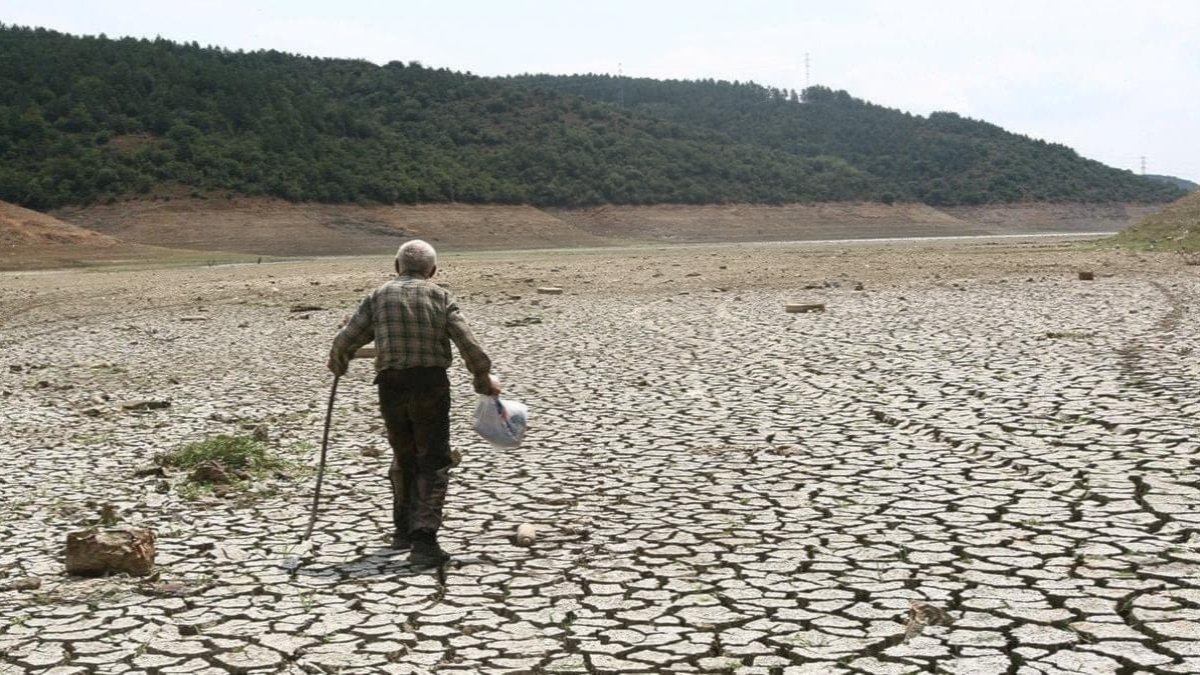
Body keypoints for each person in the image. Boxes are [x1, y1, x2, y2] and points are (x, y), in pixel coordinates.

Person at [327, 240, 500, 567]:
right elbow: (470, 345)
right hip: (429, 385)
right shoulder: (441, 297)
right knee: (433, 460)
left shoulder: (377, 297)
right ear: (432, 271)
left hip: (391, 386)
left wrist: (339, 362)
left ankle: (402, 530)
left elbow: (346, 338)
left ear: (396, 266)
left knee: (402, 455)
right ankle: (423, 539)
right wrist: (482, 379)